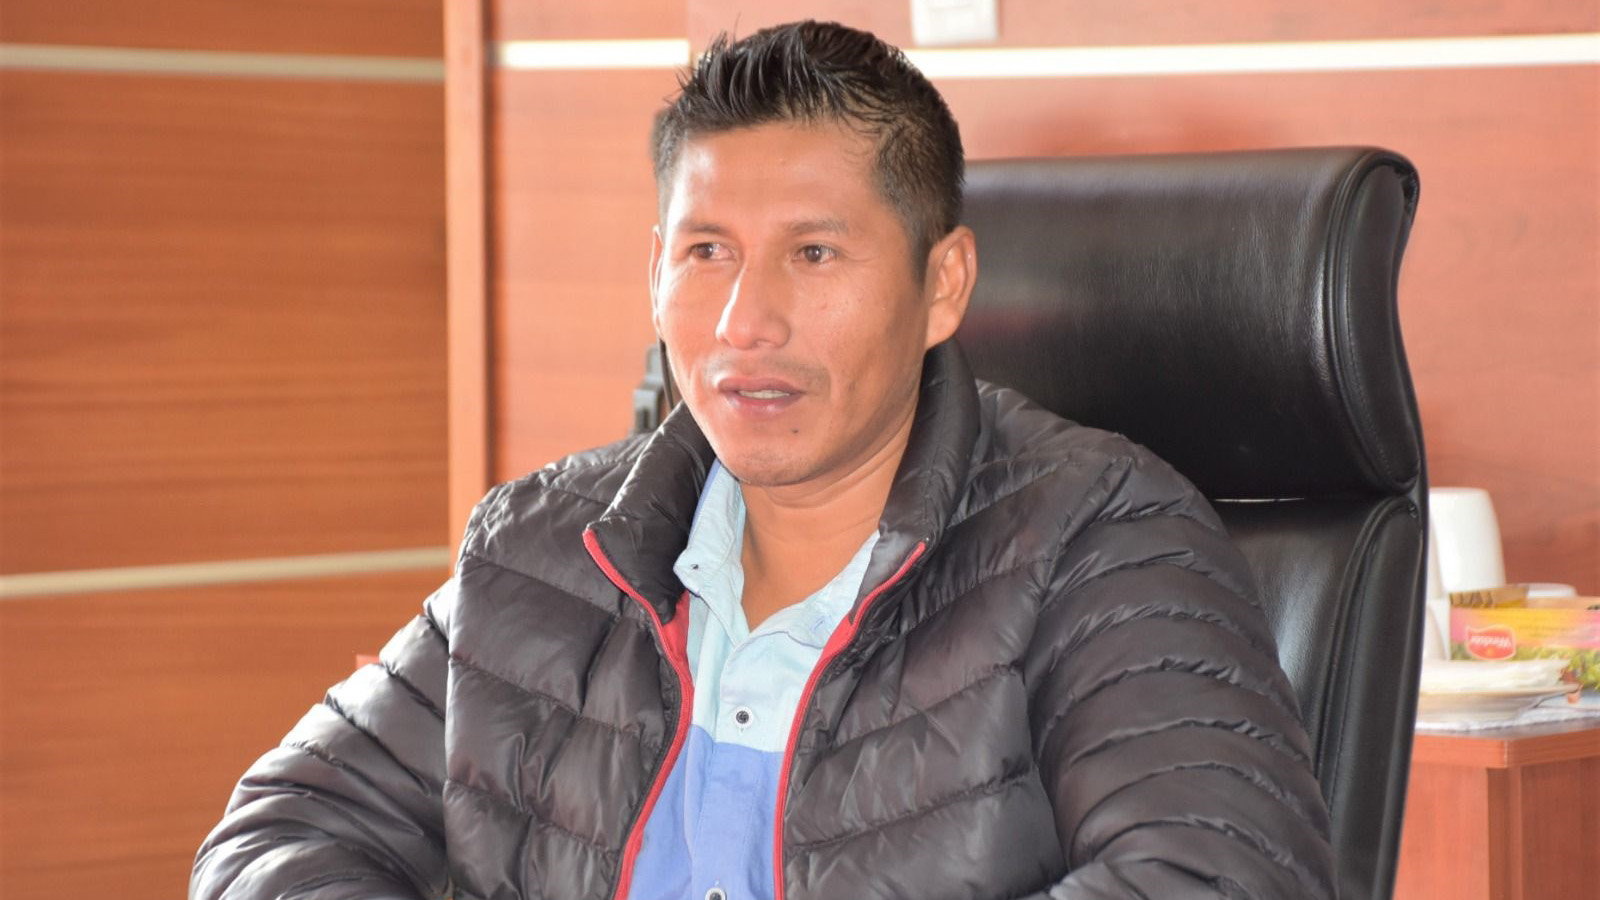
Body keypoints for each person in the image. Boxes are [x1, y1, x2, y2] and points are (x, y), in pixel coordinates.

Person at [193, 20, 1336, 900]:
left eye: (814, 253)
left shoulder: (1100, 538)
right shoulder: (541, 550)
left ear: (943, 283)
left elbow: (1221, 876)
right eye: (707, 253)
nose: (747, 322)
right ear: (654, 275)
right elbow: (272, 838)